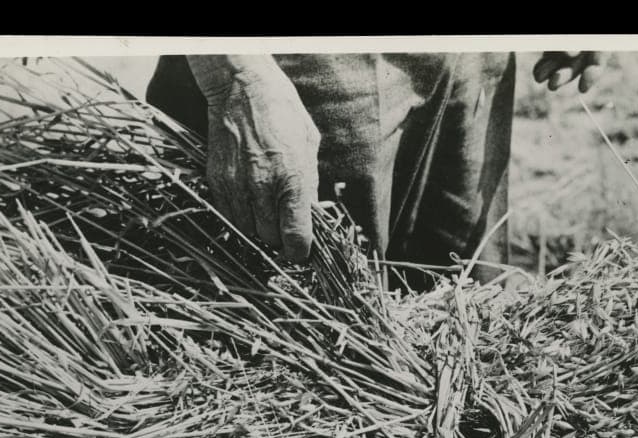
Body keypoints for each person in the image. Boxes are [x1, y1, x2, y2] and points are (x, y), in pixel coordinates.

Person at [146, 51, 601, 286]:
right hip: (298, 71)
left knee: (469, 327)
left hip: (469, 62)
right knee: (310, 356)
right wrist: (235, 78)